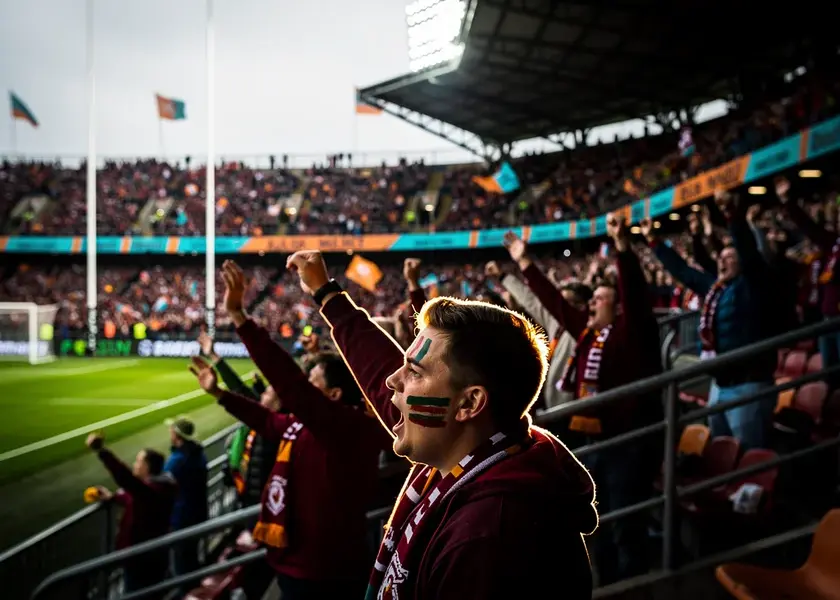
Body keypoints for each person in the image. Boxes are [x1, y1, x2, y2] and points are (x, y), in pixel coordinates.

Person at [284, 250, 597, 600]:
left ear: (469, 403)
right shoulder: (478, 451)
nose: (391, 381)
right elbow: (377, 370)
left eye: (414, 372)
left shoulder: (489, 538)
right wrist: (327, 294)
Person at [189, 261, 390, 600]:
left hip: (323, 572)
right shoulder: (309, 426)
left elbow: (289, 383)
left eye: (314, 381)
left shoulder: (344, 427)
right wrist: (221, 394)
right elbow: (269, 422)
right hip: (294, 562)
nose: (307, 383)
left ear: (335, 394)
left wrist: (240, 318)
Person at [503, 216, 663, 584]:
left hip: (628, 444)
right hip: (594, 441)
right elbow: (556, 305)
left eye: (601, 298)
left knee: (625, 522)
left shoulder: (631, 334)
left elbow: (636, 296)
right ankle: (606, 584)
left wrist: (623, 249)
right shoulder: (589, 334)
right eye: (591, 298)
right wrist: (525, 262)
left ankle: (632, 586)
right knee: (598, 524)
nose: (591, 302)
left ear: (618, 307)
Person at [646, 190, 776, 449]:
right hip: (720, 383)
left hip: (748, 384)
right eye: (721, 257)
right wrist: (654, 242)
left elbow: (750, 254)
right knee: (722, 453)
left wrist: (733, 217)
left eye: (730, 258)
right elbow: (684, 272)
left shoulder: (752, 286)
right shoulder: (717, 288)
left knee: (750, 455)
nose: (722, 261)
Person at [85, 432, 175, 595]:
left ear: (147, 467)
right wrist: (113, 497)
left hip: (142, 560)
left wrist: (101, 451)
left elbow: (126, 479)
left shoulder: (152, 492)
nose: (135, 464)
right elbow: (133, 496)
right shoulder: (158, 488)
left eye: (138, 461)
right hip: (148, 556)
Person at [163, 415, 208, 577]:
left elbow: (158, 485)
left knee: (182, 563)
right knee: (191, 558)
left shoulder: (177, 461)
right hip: (197, 513)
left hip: (182, 518)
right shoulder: (198, 455)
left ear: (176, 435)